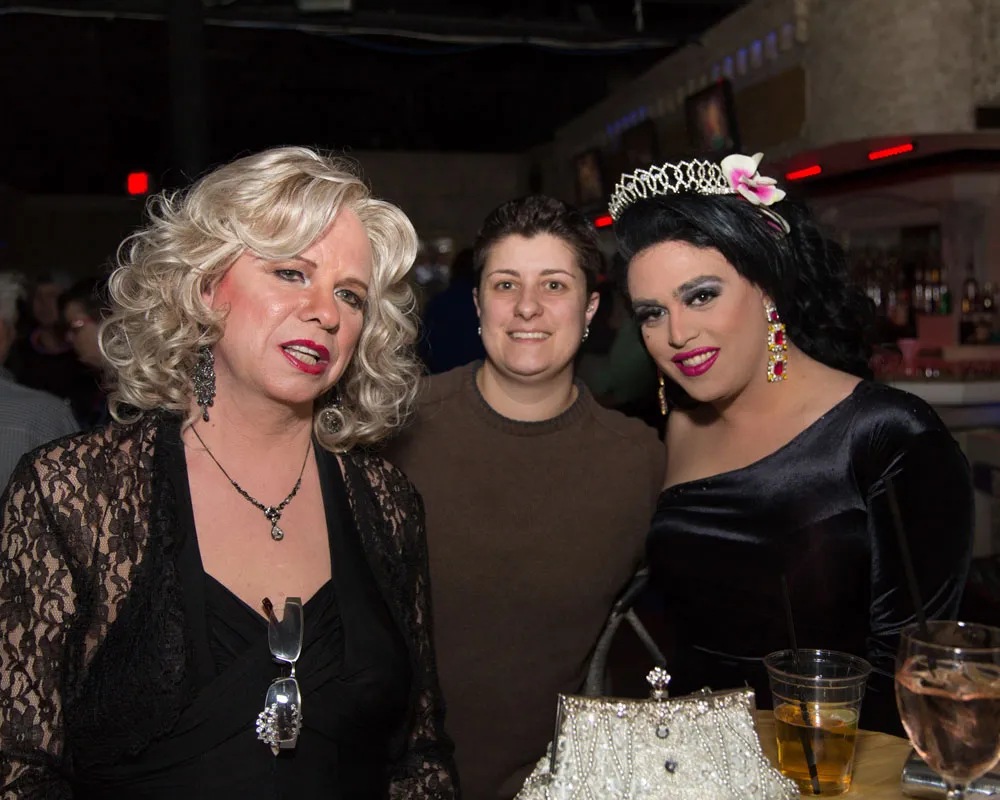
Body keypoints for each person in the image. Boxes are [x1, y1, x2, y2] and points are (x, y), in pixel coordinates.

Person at [0, 146, 457, 798]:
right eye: (291, 273)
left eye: (350, 295)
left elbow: (419, 757)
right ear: (206, 285)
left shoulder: (385, 503)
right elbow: (20, 771)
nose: (327, 312)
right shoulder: (75, 493)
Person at [609, 152, 974, 735]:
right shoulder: (677, 430)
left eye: (701, 296)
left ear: (767, 287)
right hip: (689, 755)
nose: (678, 333)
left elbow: (910, 675)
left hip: (833, 763)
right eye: (653, 313)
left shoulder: (887, 435)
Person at [385, 195, 665, 799]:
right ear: (478, 303)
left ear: (590, 309)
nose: (527, 306)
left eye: (554, 285)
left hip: (557, 787)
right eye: (505, 283)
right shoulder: (396, 428)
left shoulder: (638, 459)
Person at [0, 272, 79, 490]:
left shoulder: (81, 361)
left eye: (52, 297)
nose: (44, 305)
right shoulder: (24, 354)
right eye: (39, 297)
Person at [418, 248, 486, 374]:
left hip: (442, 374)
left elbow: (424, 346)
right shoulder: (485, 305)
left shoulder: (438, 303)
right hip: (478, 374)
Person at [60, 275, 112, 427]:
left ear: (109, 320)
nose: (69, 337)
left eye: (75, 326)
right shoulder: (87, 389)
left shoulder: (143, 394)